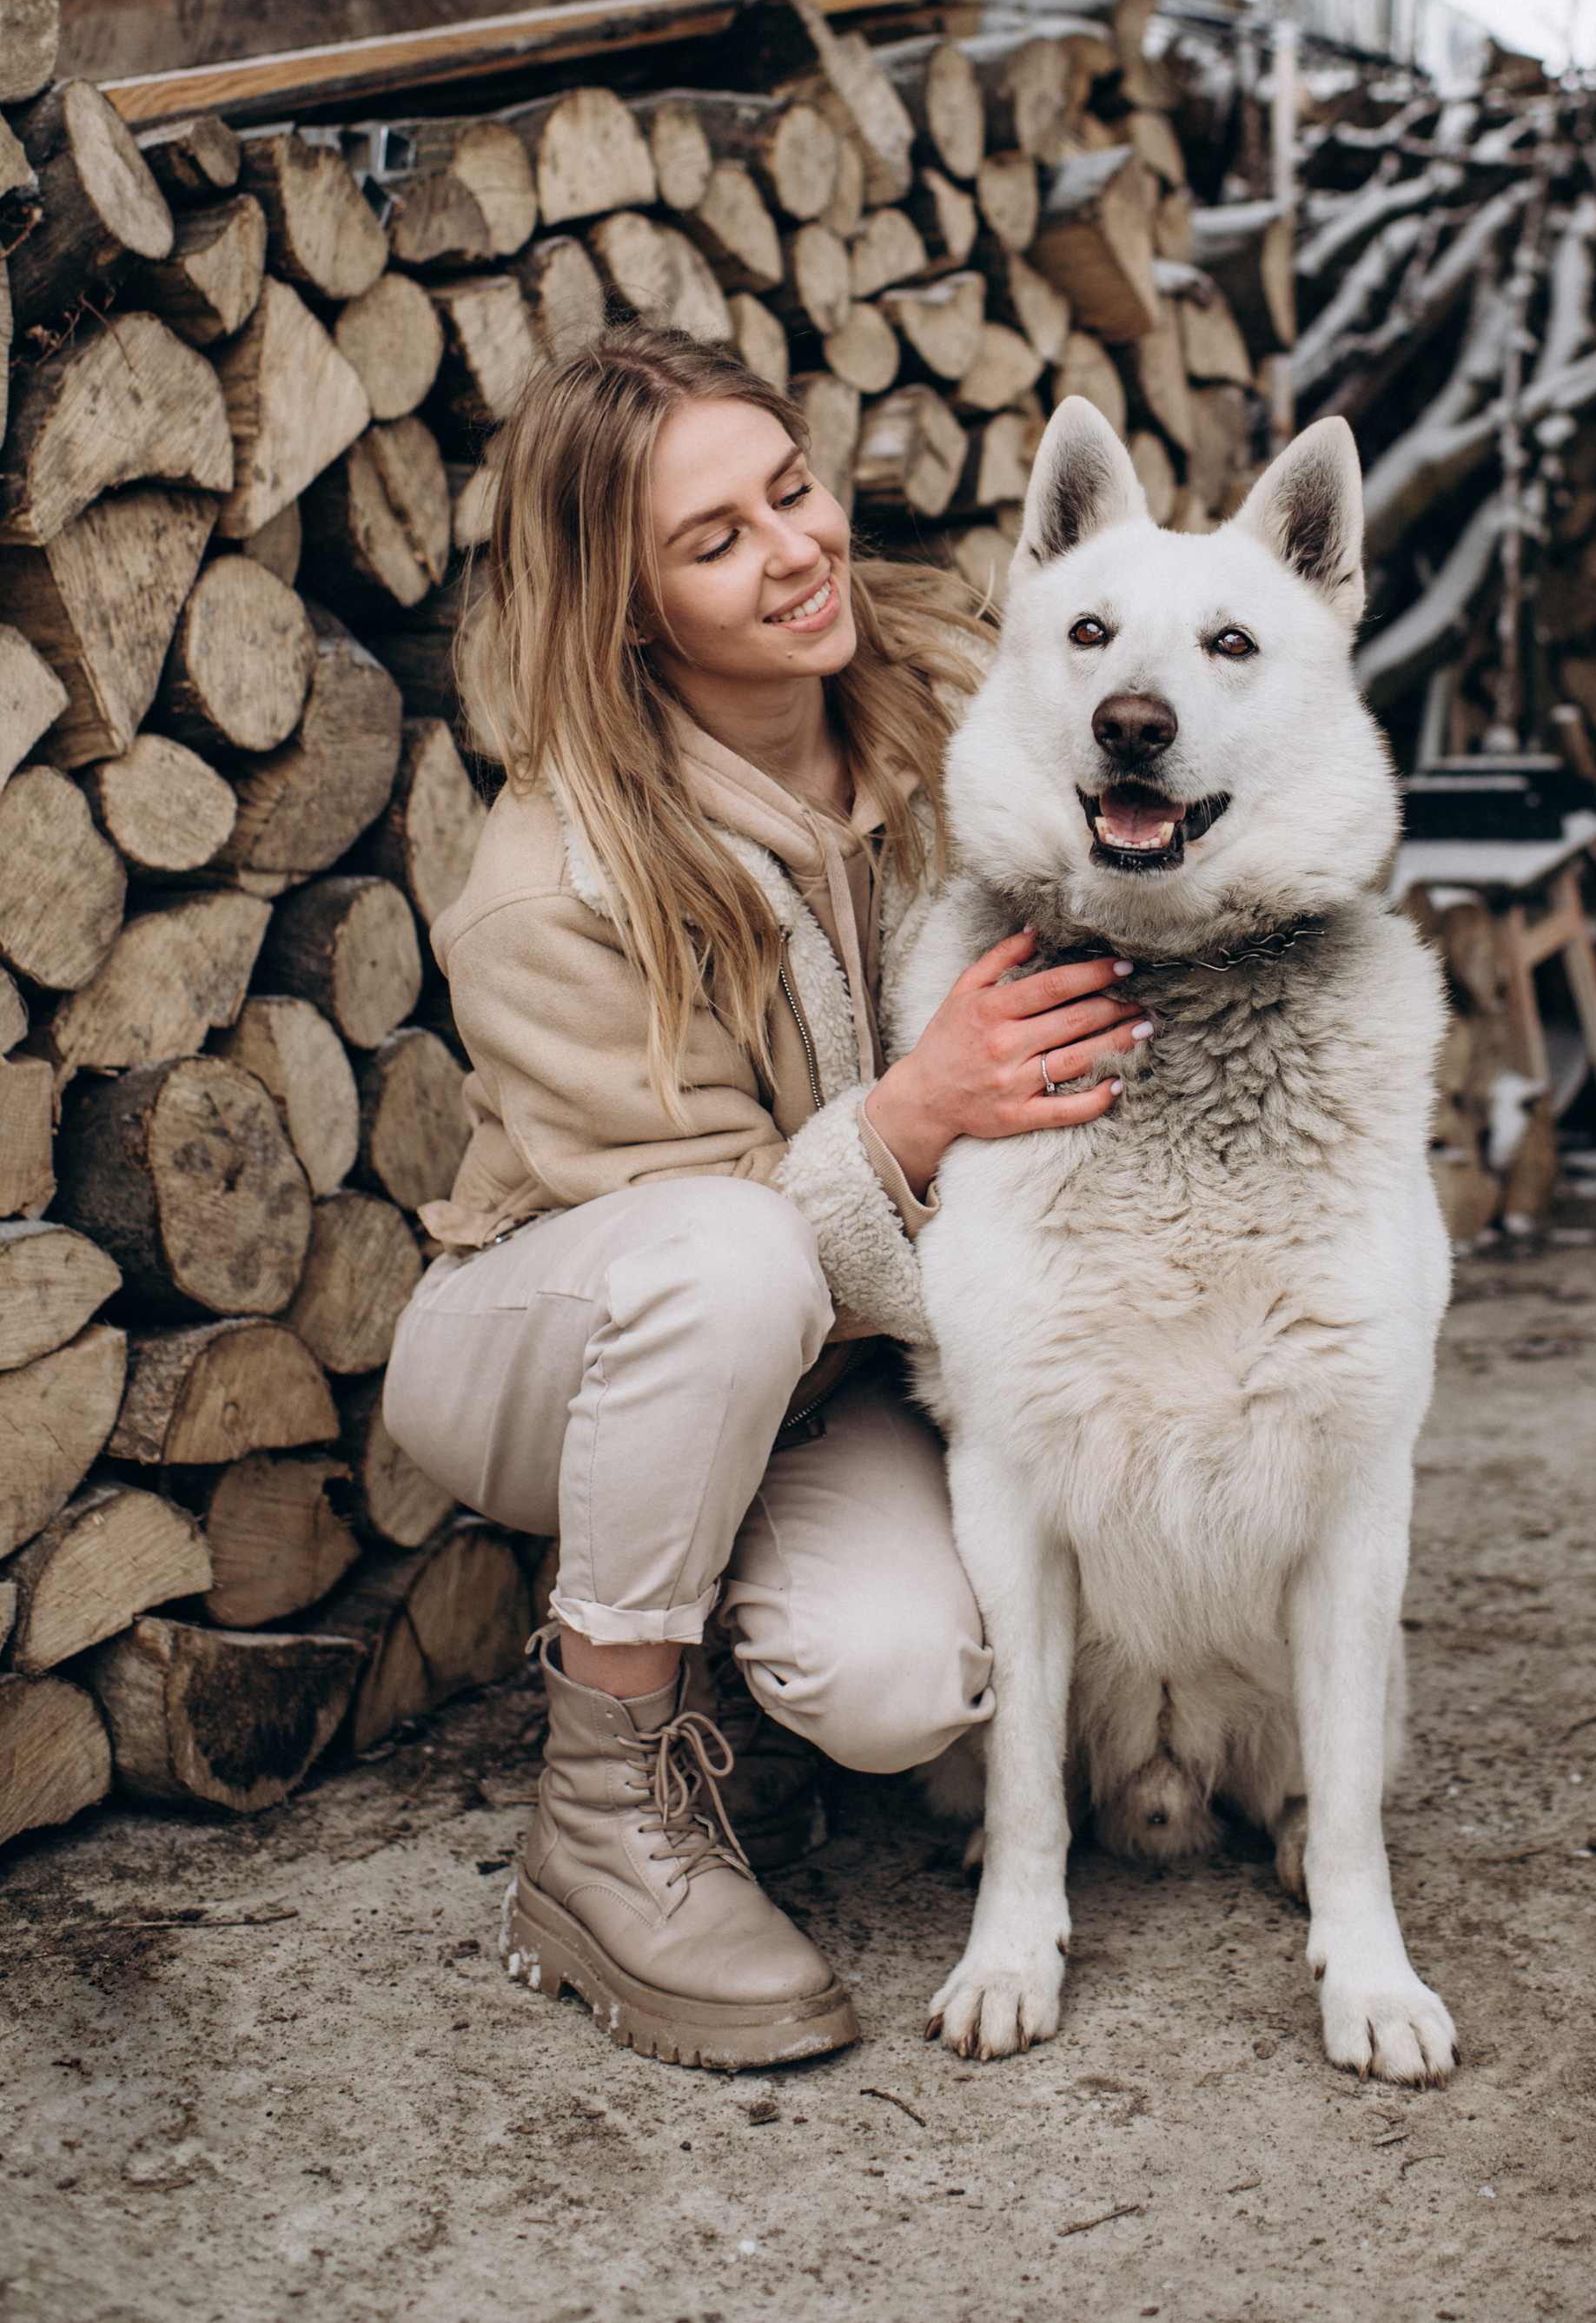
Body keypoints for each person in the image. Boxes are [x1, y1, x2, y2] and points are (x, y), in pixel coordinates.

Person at [382, 322, 1146, 2069]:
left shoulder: (962, 701)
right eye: (716, 539)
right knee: (731, 1255)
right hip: (560, 1340)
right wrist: (914, 1116)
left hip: (844, 1360)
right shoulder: (549, 882)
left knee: (897, 1684)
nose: (797, 551)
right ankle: (600, 1809)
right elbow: (725, 1235)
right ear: (627, 604)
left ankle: (740, 1677)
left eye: (789, 491)